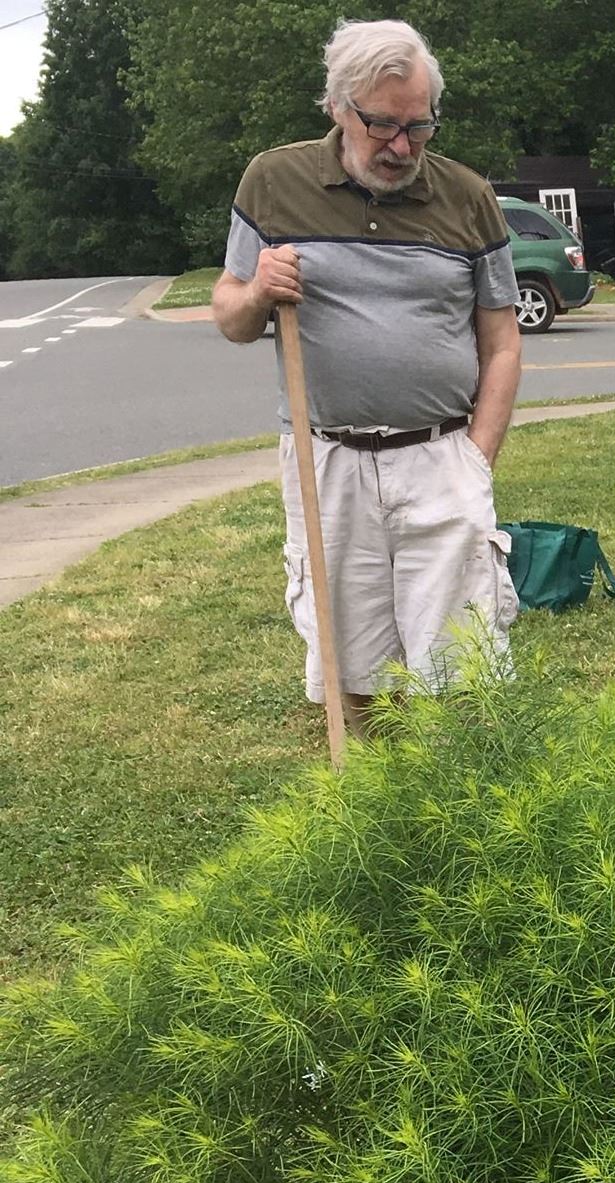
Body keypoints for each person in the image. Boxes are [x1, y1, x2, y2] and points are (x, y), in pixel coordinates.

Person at [212, 18, 522, 739]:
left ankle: (465, 814)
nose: (402, 146)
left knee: (462, 665)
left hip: (441, 457)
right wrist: (258, 290)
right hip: (327, 460)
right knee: (348, 658)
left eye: (420, 126)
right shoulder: (274, 181)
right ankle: (373, 809)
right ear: (338, 107)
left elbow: (501, 342)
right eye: (382, 124)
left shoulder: (467, 197)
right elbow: (230, 316)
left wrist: (476, 457)